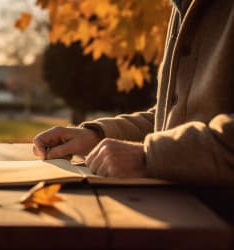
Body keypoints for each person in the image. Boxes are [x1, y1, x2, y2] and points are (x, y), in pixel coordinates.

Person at [33, 0, 234, 185]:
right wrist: (96, 136)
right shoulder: (182, 8)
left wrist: (151, 156)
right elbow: (171, 118)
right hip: (177, 207)